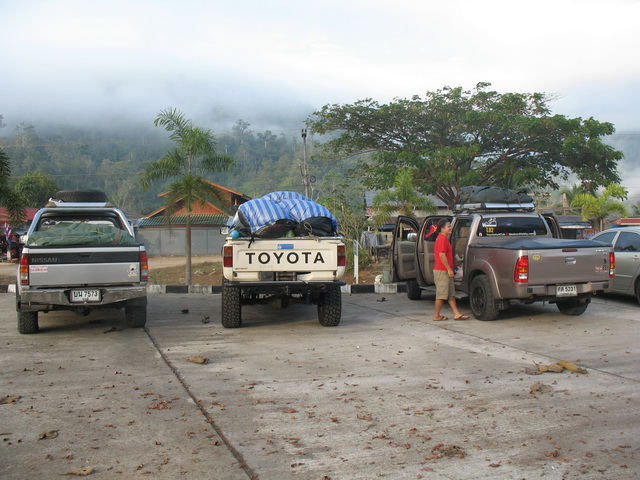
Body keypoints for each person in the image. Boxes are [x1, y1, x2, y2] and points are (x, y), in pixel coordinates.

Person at [432, 218, 469, 321]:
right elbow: (442, 255)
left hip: (445, 270)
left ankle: (456, 314)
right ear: (442, 228)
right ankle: (436, 315)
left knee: (451, 294)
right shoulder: (442, 239)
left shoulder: (444, 239)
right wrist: (449, 269)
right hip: (442, 270)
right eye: (448, 226)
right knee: (441, 294)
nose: (450, 228)